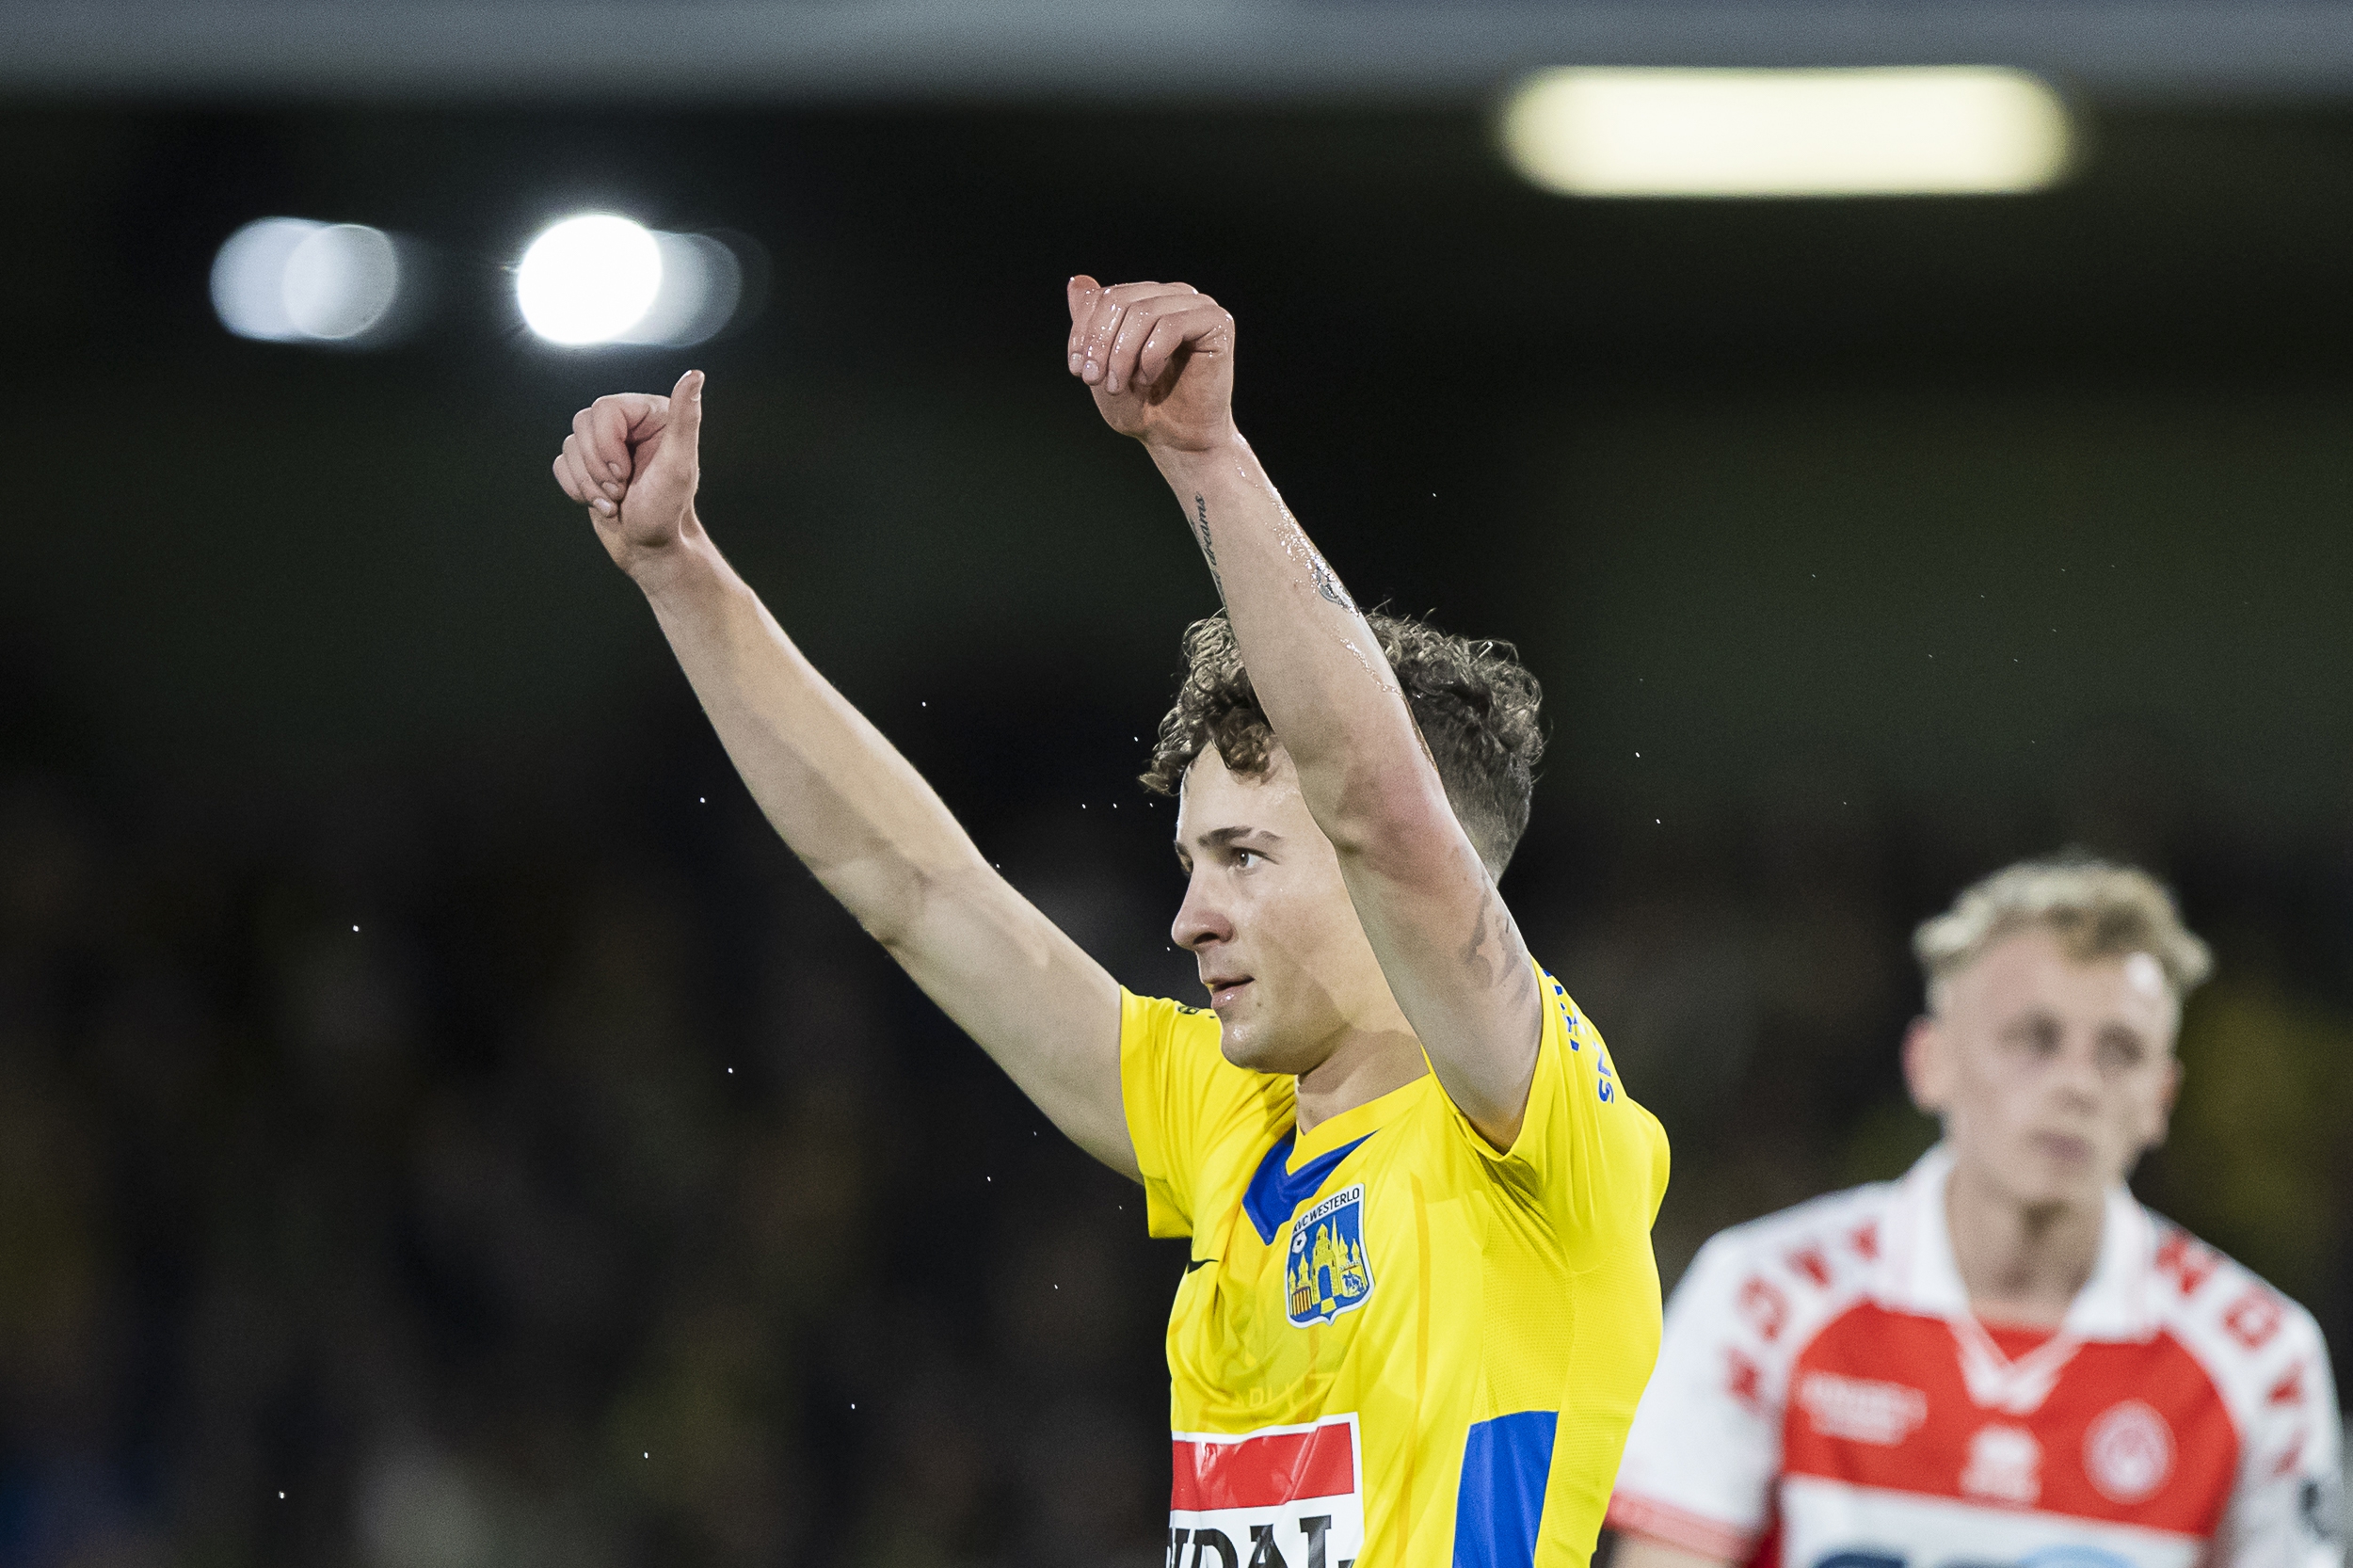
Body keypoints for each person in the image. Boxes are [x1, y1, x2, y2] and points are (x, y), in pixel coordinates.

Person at [548, 277, 1670, 1566]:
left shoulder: (1535, 1132)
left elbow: (1380, 807)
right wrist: (680, 572)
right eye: (1192, 859)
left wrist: (1205, 456)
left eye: (1246, 855)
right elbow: (913, 885)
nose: (1191, 916)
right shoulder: (1227, 1123)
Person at [1604, 856, 2344, 1568]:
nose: (2076, 1085)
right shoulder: (1761, 1298)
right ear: (1930, 1064)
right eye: (2033, 1039)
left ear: (2160, 1101)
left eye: (2118, 1051)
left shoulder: (2263, 1361)